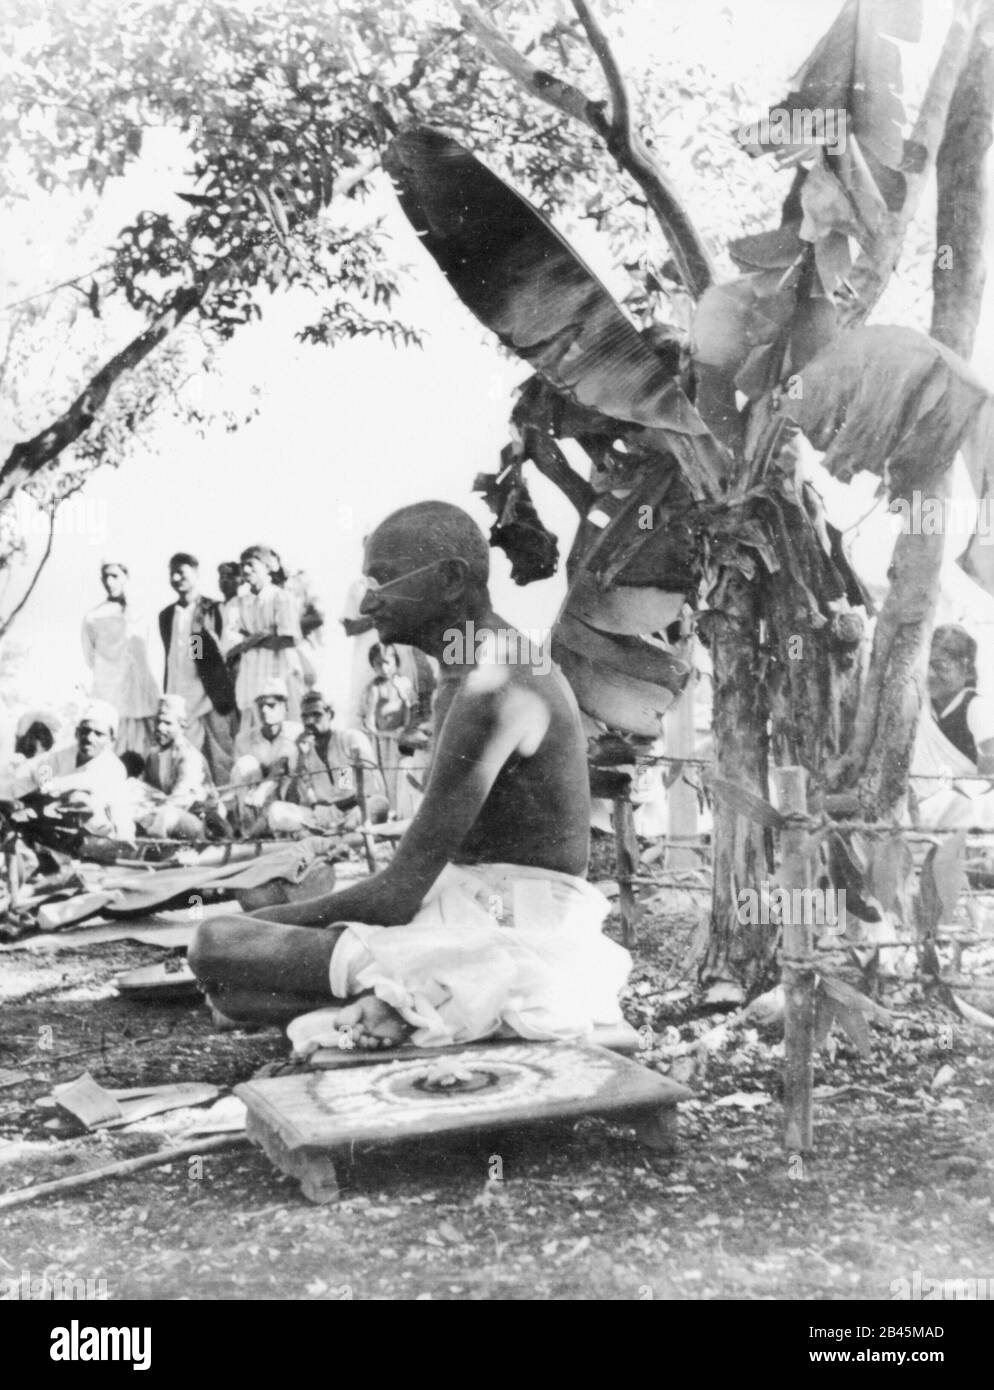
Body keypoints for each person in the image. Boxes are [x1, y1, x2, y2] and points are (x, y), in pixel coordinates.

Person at [190, 501, 630, 1048]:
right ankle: (396, 1005)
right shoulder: (476, 666)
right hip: (480, 905)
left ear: (449, 580)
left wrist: (272, 926)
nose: (368, 598)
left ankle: (417, 1004)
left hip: (513, 931)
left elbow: (396, 895)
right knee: (231, 990)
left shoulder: (491, 684)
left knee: (214, 943)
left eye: (383, 579)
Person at [260, 690, 388, 835]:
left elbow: (373, 789)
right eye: (305, 716)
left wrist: (339, 807)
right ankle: (335, 832)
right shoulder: (301, 750)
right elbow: (293, 801)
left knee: (379, 804)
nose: (309, 721)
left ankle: (333, 832)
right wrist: (300, 759)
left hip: (355, 809)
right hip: (323, 816)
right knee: (276, 811)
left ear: (330, 715)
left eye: (316, 715)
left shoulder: (349, 740)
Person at [159, 553, 237, 787]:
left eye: (181, 572)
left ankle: (227, 812)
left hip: (212, 696)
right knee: (185, 755)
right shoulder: (167, 615)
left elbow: (213, 652)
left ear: (196, 573)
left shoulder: (212, 609)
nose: (176, 578)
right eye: (172, 573)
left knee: (220, 756)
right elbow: (173, 658)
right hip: (181, 698)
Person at [912, 624, 994, 828]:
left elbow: (990, 780)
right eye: (927, 665)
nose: (930, 674)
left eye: (940, 666)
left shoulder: (977, 708)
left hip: (958, 812)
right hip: (918, 809)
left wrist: (947, 794)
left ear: (965, 668)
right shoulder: (920, 705)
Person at [227, 545, 306, 745]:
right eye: (242, 566)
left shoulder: (281, 597)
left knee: (286, 726)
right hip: (242, 675)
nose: (244, 571)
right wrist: (263, 635)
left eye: (251, 565)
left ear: (267, 567)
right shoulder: (234, 605)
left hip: (279, 670)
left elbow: (288, 638)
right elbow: (228, 646)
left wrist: (248, 639)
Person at [81, 562, 160, 756]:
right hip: (112, 691)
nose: (109, 581)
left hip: (146, 691)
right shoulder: (94, 616)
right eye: (105, 576)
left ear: (126, 577)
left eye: (115, 576)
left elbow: (156, 649)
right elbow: (90, 655)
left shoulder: (143, 611)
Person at [30, 700, 134, 839]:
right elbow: (42, 767)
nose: (90, 738)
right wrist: (47, 785)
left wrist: (52, 787)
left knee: (80, 798)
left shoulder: (114, 768)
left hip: (99, 833)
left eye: (98, 734)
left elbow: (83, 782)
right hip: (57, 823)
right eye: (85, 731)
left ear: (111, 740)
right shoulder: (66, 753)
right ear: (77, 733)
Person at [137, 695, 226, 841]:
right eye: (158, 722)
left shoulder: (189, 756)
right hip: (167, 813)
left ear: (182, 726)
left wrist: (149, 811)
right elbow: (151, 791)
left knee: (166, 814)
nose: (160, 728)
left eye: (167, 723)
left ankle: (154, 848)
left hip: (200, 822)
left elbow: (181, 800)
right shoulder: (153, 754)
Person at [226, 679, 303, 836]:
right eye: (261, 706)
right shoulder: (244, 739)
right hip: (255, 801)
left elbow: (283, 767)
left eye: (271, 705)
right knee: (245, 765)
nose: (264, 711)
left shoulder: (298, 734)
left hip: (288, 798)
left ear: (285, 707)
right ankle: (249, 829)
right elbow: (240, 779)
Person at [362, 642, 418, 811]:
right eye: (378, 663)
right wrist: (378, 734)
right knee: (384, 775)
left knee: (399, 774)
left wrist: (406, 729)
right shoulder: (374, 687)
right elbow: (370, 717)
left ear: (396, 662)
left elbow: (411, 708)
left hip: (400, 736)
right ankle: (387, 810)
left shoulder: (404, 683)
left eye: (387, 662)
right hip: (382, 739)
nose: (383, 668)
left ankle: (401, 810)